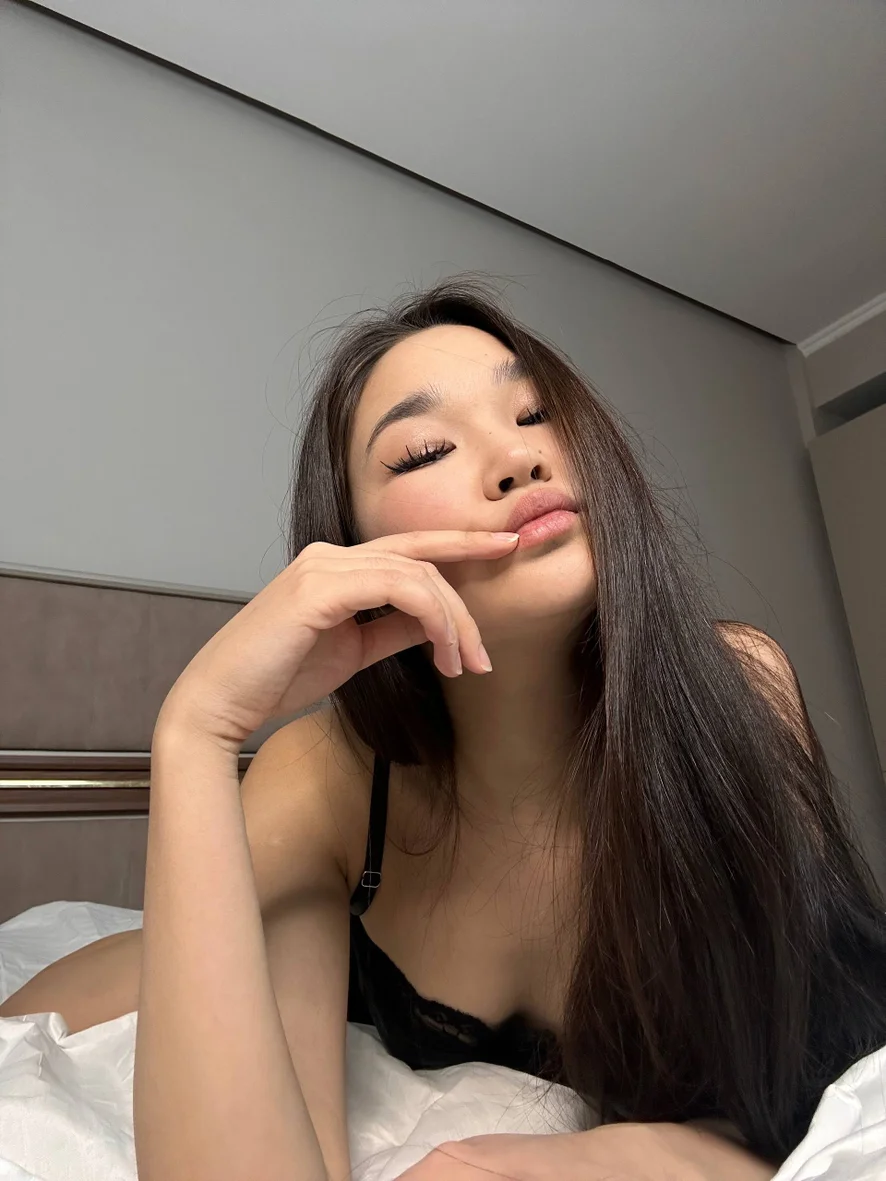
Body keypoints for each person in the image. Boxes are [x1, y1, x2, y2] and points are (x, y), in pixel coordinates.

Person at [4, 277, 886, 1181]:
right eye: (425, 450)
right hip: (310, 934)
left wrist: (638, 1152)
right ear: (353, 544)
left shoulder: (738, 685)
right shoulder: (323, 777)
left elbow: (800, 1065)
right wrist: (195, 728)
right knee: (104, 981)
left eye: (537, 414)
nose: (517, 457)